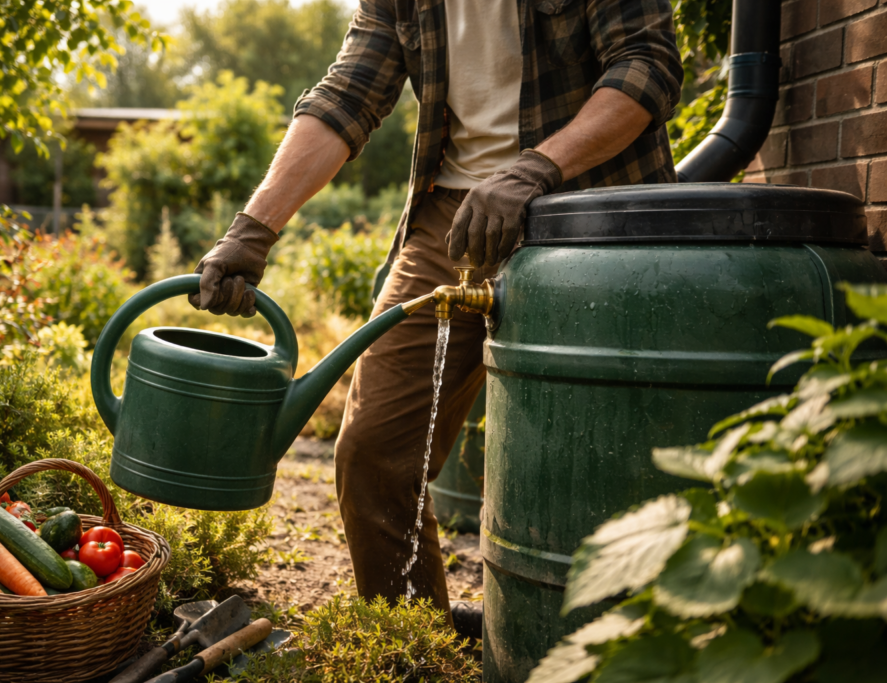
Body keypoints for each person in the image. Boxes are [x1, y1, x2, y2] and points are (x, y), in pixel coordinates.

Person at [189, 0, 683, 637]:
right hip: (453, 222)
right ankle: (418, 646)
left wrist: (537, 166)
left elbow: (646, 66)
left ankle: (616, 643)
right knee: (374, 450)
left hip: (592, 212)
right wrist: (253, 229)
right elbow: (348, 95)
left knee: (605, 453)